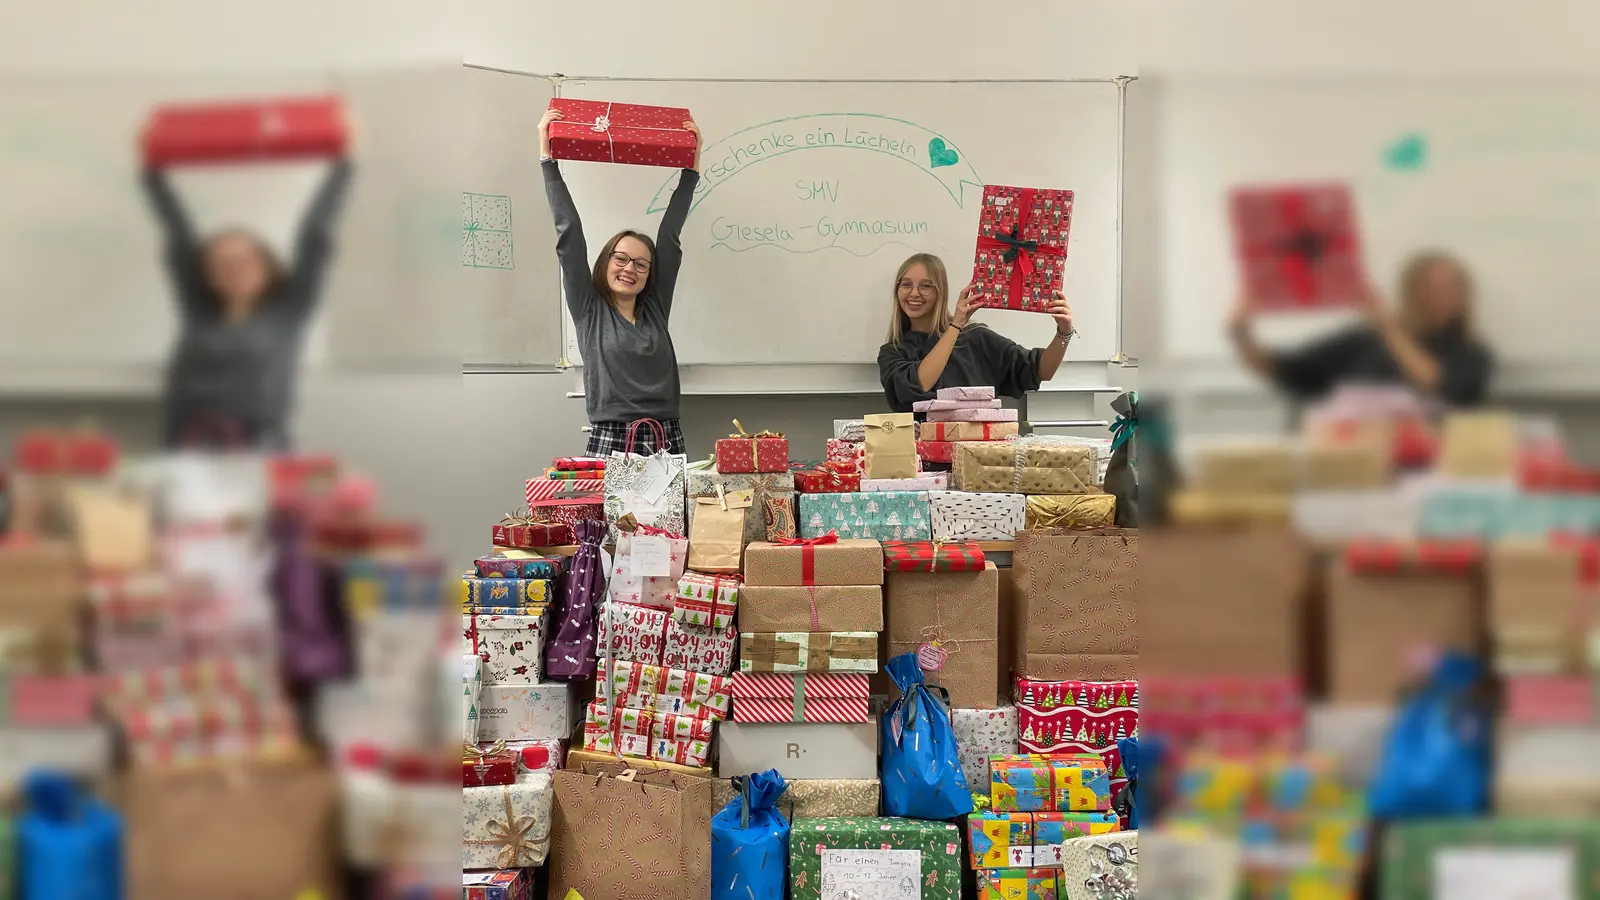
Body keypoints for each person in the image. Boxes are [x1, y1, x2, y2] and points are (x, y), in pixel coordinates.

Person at [143, 158, 353, 450]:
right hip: (187, 447)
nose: (235, 269)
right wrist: (151, 173)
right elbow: (177, 233)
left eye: (246, 259)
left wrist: (344, 166)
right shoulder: (198, 311)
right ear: (207, 275)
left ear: (268, 265)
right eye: (221, 263)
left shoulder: (289, 310)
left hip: (258, 451)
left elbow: (316, 234)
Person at [539, 107, 702, 456]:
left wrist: (691, 171)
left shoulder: (655, 308)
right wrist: (548, 163)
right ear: (607, 261)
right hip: (610, 438)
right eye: (621, 258)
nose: (630, 269)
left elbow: (669, 237)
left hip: (666, 436)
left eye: (641, 264)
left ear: (650, 274)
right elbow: (569, 235)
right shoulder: (589, 308)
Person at [1230, 251, 1493, 407]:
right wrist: (1241, 334)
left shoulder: (1472, 354)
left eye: (1454, 286)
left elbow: (1435, 383)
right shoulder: (1362, 340)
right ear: (1409, 292)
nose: (1444, 295)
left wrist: (1388, 328)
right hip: (1350, 461)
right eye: (1430, 287)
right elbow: (1280, 369)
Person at [877, 253, 1074, 413]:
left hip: (979, 448)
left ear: (940, 292)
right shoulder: (893, 352)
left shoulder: (975, 338)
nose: (914, 293)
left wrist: (1063, 332)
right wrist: (955, 326)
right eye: (906, 284)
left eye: (926, 286)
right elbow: (919, 385)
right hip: (923, 449)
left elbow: (1040, 370)